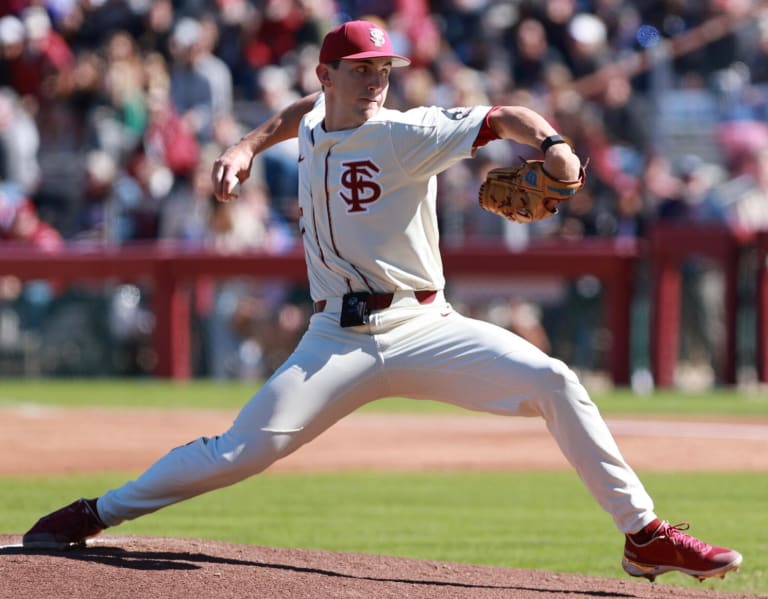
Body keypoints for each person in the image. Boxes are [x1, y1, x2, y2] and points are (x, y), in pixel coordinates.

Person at [23, 19, 742, 584]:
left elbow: (508, 115)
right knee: (238, 450)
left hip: (423, 324)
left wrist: (552, 144)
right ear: (328, 73)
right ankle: (98, 511)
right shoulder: (316, 119)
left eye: (384, 70)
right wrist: (246, 143)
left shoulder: (407, 132)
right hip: (334, 339)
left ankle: (643, 535)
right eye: (362, 70)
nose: (375, 81)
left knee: (554, 379)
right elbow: (300, 115)